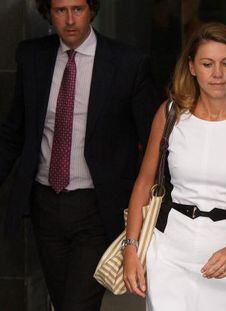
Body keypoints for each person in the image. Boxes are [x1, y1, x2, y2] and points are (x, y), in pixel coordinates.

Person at [0, 0, 156, 310]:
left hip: (97, 209)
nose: (70, 20)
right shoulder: (33, 57)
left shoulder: (127, 62)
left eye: (78, 9)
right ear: (48, 13)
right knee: (62, 302)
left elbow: (152, 138)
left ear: (92, 9)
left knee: (76, 305)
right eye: (60, 10)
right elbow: (14, 132)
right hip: (45, 204)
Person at [122, 22, 226, 311]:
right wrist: (131, 247)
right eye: (207, 64)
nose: (217, 74)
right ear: (192, 67)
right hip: (169, 252)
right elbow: (144, 183)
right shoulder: (170, 114)